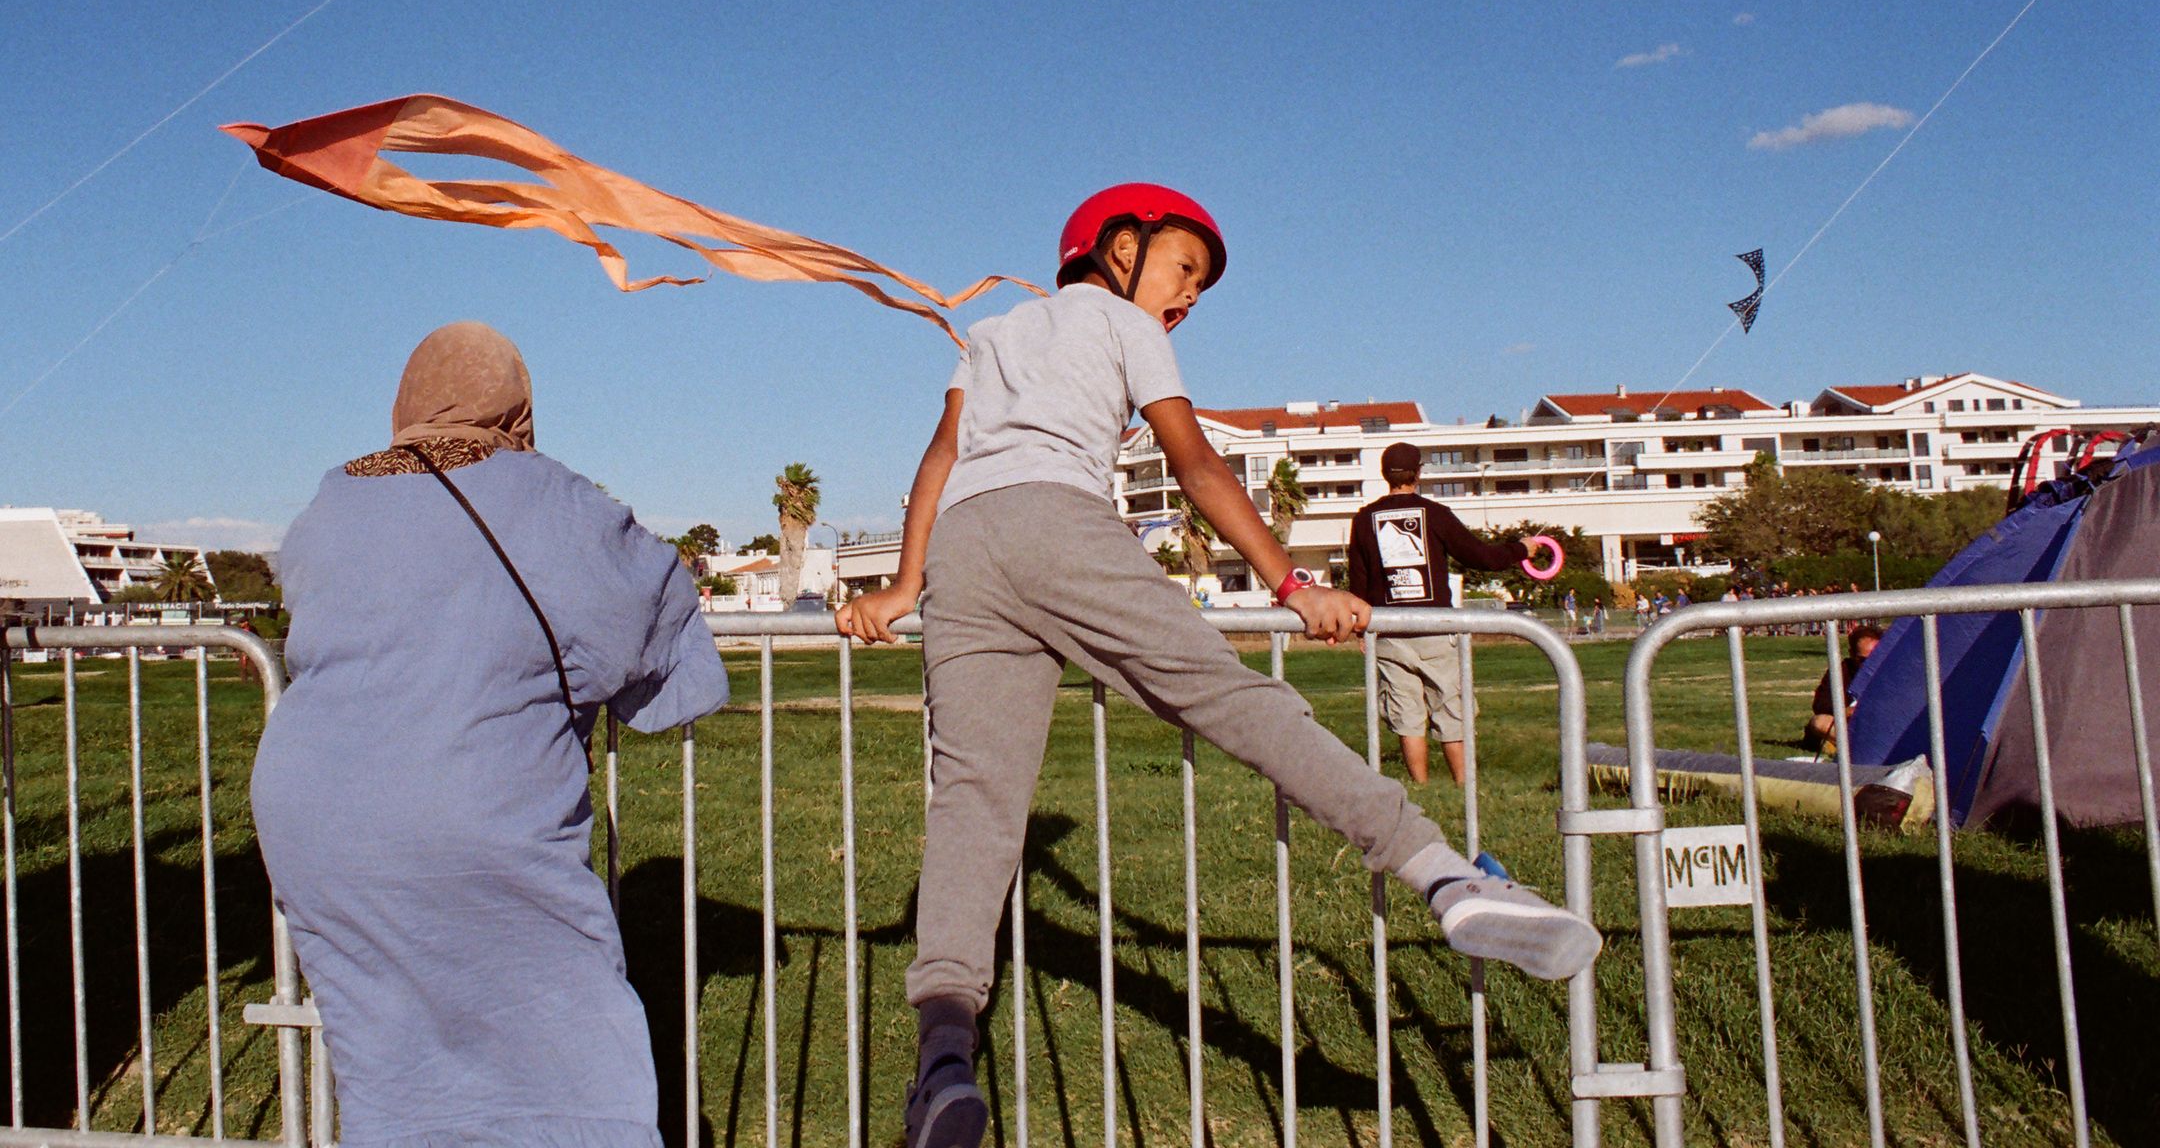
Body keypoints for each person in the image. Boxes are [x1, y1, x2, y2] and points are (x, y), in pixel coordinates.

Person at [836, 186, 1601, 1148]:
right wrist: (1292, 586)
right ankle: (1446, 877)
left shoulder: (990, 333)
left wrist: (904, 588)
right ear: (1119, 250)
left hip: (962, 550)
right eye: (1184, 269)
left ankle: (943, 1057)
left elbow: (940, 457)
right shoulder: (1122, 322)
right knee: (1237, 700)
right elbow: (1194, 463)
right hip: (1054, 524)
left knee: (974, 799)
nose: (1190, 294)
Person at [251, 323, 731, 1147]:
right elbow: (658, 640)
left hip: (314, 823)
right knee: (576, 1057)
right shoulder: (553, 497)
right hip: (467, 810)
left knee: (390, 1059)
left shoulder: (331, 500)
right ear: (520, 412)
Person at [1345, 442, 1535, 785]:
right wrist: (1521, 549)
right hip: (1435, 627)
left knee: (1406, 715)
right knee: (1451, 710)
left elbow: (1359, 579)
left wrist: (1361, 630)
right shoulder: (1435, 514)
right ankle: (1464, 786)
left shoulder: (1363, 520)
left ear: (1384, 475)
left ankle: (1420, 787)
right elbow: (1480, 556)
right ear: (1418, 473)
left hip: (1387, 632)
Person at [1804, 622, 1882, 753]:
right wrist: (1846, 711)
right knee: (1819, 722)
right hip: (1848, 725)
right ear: (1852, 654)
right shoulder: (1841, 670)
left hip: (1878, 724)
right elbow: (1820, 705)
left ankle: (1841, 746)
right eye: (1862, 660)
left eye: (1874, 658)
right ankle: (1861, 748)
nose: (1868, 665)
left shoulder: (1889, 671)